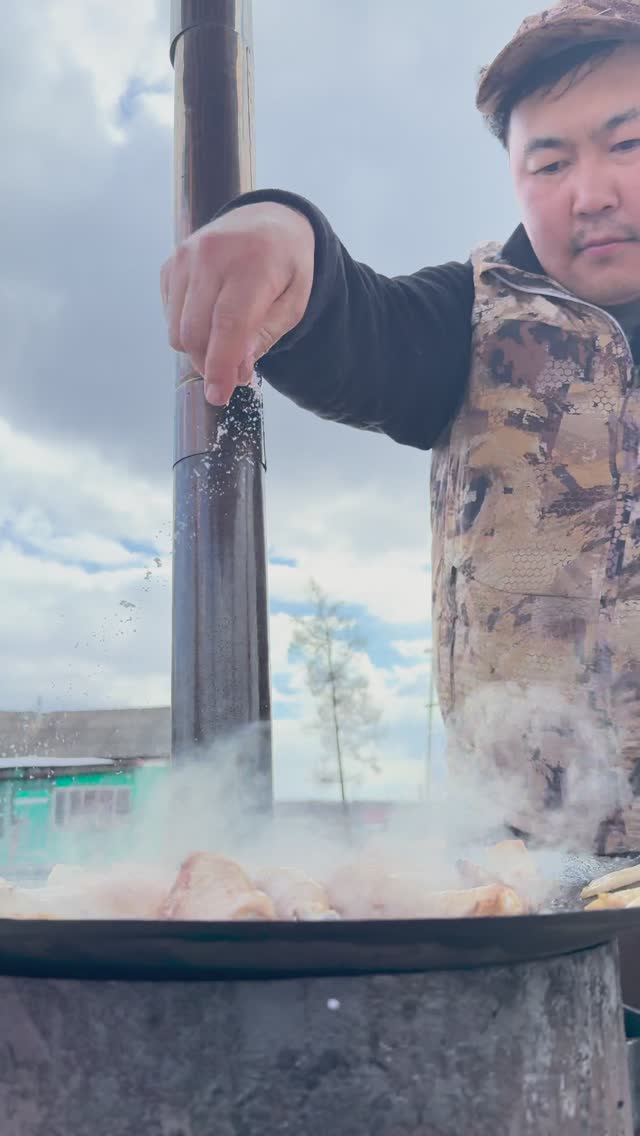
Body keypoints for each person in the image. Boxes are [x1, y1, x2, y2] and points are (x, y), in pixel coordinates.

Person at [161, 0, 640, 856]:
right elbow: (360, 326)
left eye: (628, 143)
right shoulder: (470, 318)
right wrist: (288, 234)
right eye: (549, 161)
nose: (591, 193)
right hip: (526, 867)